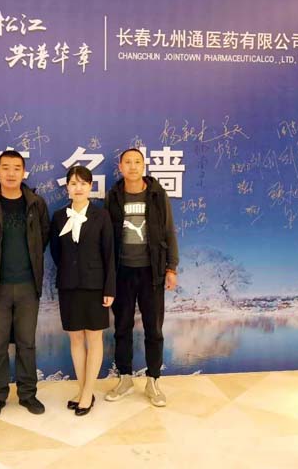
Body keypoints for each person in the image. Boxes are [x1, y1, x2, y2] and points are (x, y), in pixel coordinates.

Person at [0, 150, 50, 418]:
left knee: (27, 343)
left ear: (24, 172)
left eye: (17, 168)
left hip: (28, 286)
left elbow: (43, 238)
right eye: (5, 167)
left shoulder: (36, 204)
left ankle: (28, 395)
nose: (11, 173)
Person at [104, 147, 179, 407]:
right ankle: (125, 378)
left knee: (153, 329)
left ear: (143, 166)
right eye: (128, 162)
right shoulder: (113, 196)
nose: (133, 166)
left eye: (137, 162)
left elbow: (169, 231)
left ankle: (153, 381)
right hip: (122, 272)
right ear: (120, 167)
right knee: (122, 327)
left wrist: (171, 268)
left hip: (152, 272)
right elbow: (106, 237)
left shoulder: (157, 194)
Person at [50, 166, 115, 416]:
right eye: (73, 183)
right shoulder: (58, 217)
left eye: (83, 183)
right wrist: (71, 270)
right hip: (68, 286)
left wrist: (109, 288)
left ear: (90, 187)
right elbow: (56, 252)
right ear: (67, 187)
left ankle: (88, 393)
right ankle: (81, 390)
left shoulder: (102, 216)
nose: (78, 188)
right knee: (75, 338)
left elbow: (109, 254)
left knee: (94, 338)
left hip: (96, 286)